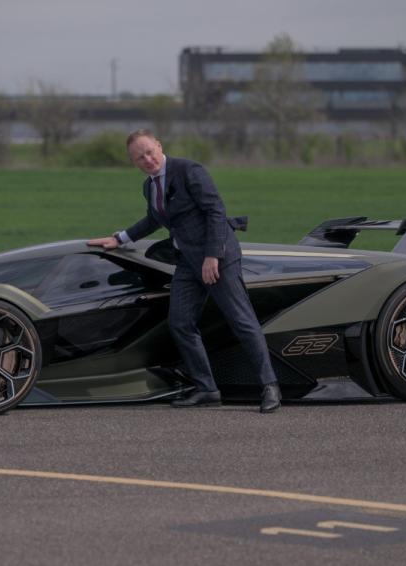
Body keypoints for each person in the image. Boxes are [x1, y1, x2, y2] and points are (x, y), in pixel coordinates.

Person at [87, 130, 281, 413]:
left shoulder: (188, 170)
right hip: (188, 261)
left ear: (159, 146)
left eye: (150, 151)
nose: (147, 159)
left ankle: (270, 386)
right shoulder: (149, 186)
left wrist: (212, 255)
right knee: (180, 322)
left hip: (218, 256)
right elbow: (154, 219)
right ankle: (207, 389)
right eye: (140, 157)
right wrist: (119, 239)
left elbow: (215, 210)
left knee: (241, 320)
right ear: (134, 162)